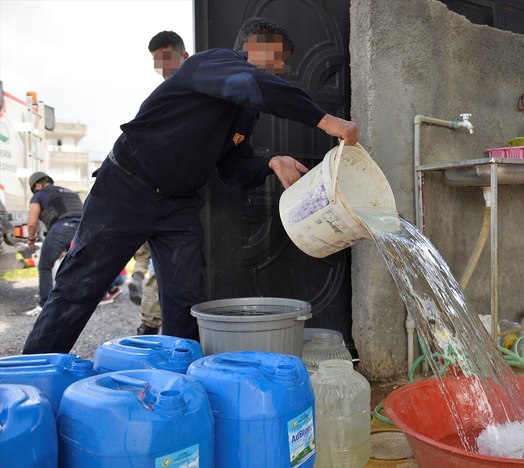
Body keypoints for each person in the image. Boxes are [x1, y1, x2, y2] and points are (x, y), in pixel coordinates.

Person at [23, 17, 358, 354]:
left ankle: (178, 384)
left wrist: (270, 162)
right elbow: (252, 83)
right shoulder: (208, 63)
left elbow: (231, 169)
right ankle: (33, 374)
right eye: (280, 57)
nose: (284, 67)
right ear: (255, 46)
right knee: (79, 287)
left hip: (178, 206)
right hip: (124, 189)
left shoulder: (245, 112)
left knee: (185, 301)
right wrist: (326, 120)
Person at [129, 30, 191, 335]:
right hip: (149, 196)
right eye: (158, 63)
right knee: (159, 269)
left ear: (186, 57)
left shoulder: (202, 94)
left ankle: (159, 326)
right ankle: (150, 325)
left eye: (168, 60)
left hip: (184, 197)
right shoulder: (157, 102)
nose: (164, 69)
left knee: (168, 271)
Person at [23, 172, 82, 316]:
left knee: (44, 266)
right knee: (73, 266)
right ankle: (73, 302)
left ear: (37, 185)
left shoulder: (39, 194)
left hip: (62, 228)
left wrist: (30, 241)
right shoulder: (70, 193)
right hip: (82, 230)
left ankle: (44, 305)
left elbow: (31, 223)